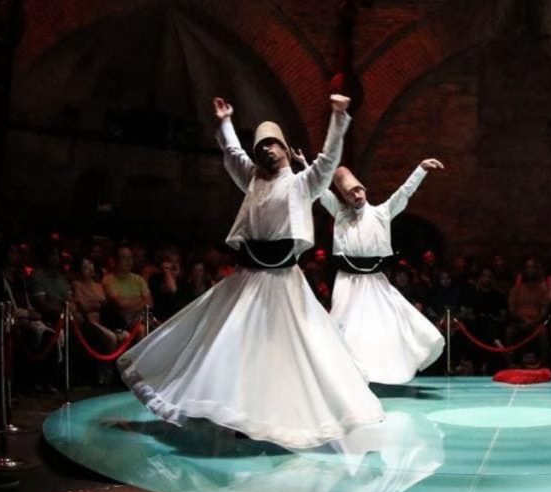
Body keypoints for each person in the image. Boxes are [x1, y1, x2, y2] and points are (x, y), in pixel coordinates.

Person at [117, 94, 383, 450]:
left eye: (273, 144)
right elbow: (233, 155)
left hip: (283, 282)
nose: (267, 151)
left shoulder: (303, 183)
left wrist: (338, 117)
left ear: (286, 150)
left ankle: (290, 415)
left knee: (294, 351)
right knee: (232, 345)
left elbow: (329, 159)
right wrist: (226, 122)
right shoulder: (253, 180)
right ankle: (235, 415)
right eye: (261, 147)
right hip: (249, 278)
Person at [320, 160, 446, 384]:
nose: (356, 195)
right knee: (343, 326)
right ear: (345, 198)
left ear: (364, 190)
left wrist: (421, 169)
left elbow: (404, 193)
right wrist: (306, 166)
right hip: (347, 281)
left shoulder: (381, 213)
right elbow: (319, 189)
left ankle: (378, 371)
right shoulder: (340, 215)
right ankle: (349, 377)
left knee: (388, 322)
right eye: (350, 193)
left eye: (358, 190)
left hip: (373, 280)